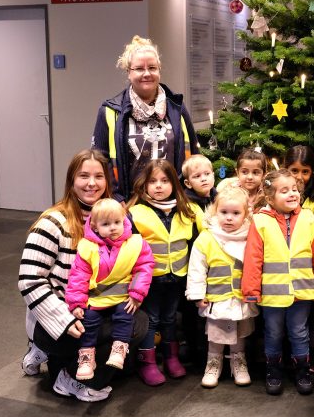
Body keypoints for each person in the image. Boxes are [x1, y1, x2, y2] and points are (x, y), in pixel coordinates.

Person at [19, 149, 134, 402]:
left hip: (96, 308)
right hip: (57, 318)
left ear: (108, 181)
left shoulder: (118, 220)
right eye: (83, 176)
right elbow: (30, 280)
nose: (91, 183)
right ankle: (57, 363)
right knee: (96, 334)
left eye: (98, 176)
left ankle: (67, 371)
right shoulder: (54, 222)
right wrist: (64, 320)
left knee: (138, 322)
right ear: (72, 180)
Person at [242, 169, 314, 396]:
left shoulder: (308, 218)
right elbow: (253, 258)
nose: (292, 194)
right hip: (273, 294)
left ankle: (302, 370)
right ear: (270, 197)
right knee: (273, 333)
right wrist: (251, 290)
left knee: (299, 332)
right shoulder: (260, 221)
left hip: (302, 290)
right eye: (284, 191)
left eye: (294, 189)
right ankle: (273, 370)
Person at [92, 35, 198, 203]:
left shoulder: (176, 108)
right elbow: (99, 162)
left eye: (152, 68)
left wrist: (189, 195)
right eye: (139, 69)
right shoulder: (110, 112)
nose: (147, 73)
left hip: (173, 204)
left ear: (159, 70)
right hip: (129, 205)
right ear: (128, 72)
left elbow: (194, 153)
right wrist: (117, 201)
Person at [127, 159, 203, 386]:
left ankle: (171, 357)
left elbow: (207, 235)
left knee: (170, 318)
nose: (158, 186)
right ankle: (148, 362)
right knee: (151, 320)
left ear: (175, 183)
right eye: (152, 181)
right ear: (144, 184)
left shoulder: (189, 210)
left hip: (177, 277)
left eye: (164, 180)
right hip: (149, 280)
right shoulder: (135, 212)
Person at [64, 199, 154, 380]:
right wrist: (76, 303)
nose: (113, 228)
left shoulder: (136, 243)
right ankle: (87, 357)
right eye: (106, 224)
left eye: (117, 222)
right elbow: (78, 275)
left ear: (124, 221)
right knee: (88, 320)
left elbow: (144, 267)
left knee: (125, 315)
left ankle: (119, 348)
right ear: (95, 227)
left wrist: (137, 293)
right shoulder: (88, 247)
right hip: (96, 299)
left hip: (123, 297)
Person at [186, 185, 258, 388]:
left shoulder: (249, 236)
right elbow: (197, 268)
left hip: (241, 297)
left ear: (245, 215)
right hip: (217, 297)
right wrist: (197, 294)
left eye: (235, 213)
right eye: (224, 212)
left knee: (240, 333)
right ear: (215, 211)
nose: (228, 218)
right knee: (216, 334)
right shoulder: (207, 238)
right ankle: (213, 362)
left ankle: (239, 361)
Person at [283, 145, 314, 215]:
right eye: (294, 171)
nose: (299, 177)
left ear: (312, 172)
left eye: (305, 172)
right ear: (286, 169)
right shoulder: (275, 191)